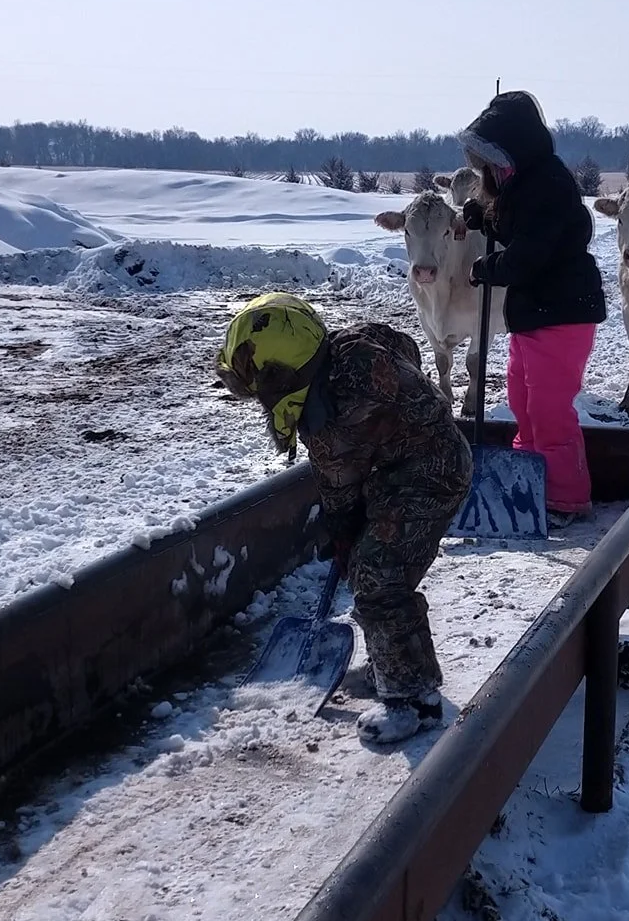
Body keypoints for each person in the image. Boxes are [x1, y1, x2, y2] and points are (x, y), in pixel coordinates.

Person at [215, 293, 472, 748]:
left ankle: (412, 700)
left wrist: (342, 531)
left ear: (283, 376)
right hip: (408, 466)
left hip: (428, 479)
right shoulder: (358, 341)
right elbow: (405, 346)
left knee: (378, 575)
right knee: (371, 570)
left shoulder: (332, 418)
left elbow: (340, 489)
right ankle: (389, 662)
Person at [458, 89, 607, 523]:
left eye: (493, 159)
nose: (489, 171)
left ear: (514, 148)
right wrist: (479, 217)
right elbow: (515, 223)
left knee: (549, 409)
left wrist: (489, 268)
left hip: (561, 313)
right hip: (533, 314)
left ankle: (565, 495)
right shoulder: (523, 182)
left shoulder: (549, 185)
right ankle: (527, 479)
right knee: (523, 400)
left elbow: (531, 251)